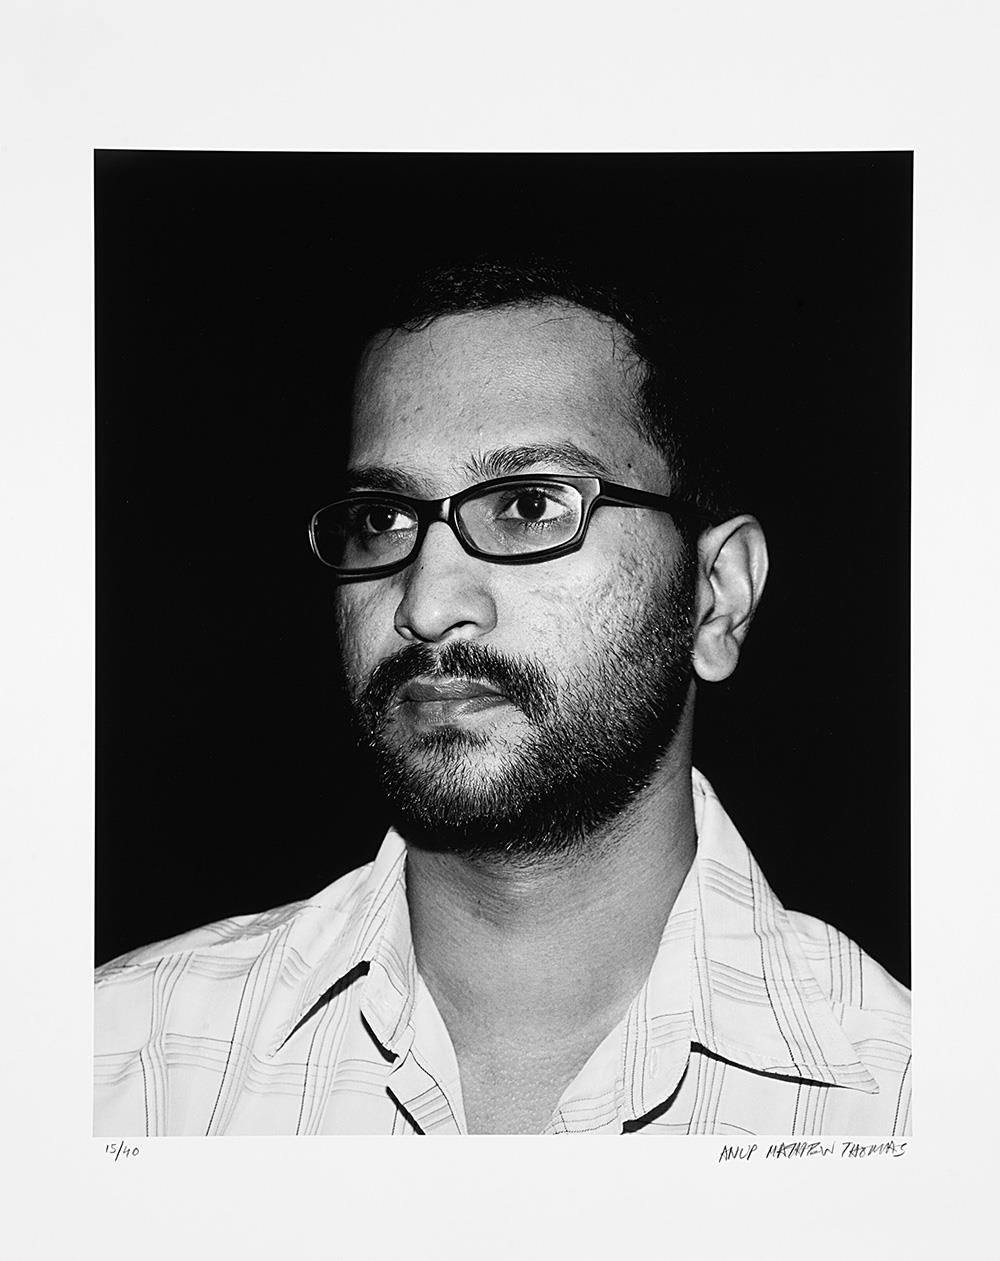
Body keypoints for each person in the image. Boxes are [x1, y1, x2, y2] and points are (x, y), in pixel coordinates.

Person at [94, 259, 911, 1136]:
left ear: (717, 598)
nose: (426, 602)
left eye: (528, 505)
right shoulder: (116, 1064)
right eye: (381, 517)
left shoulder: (917, 1106)